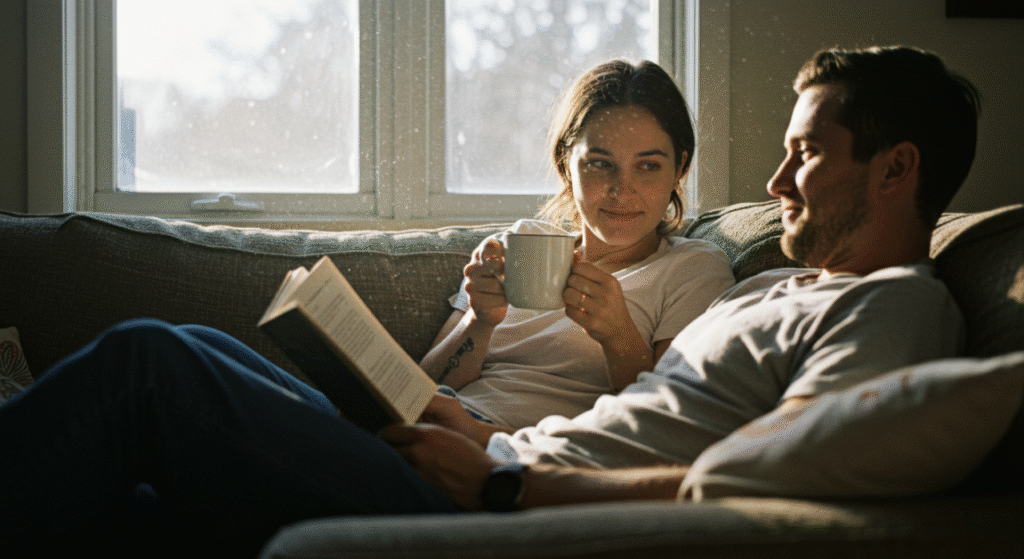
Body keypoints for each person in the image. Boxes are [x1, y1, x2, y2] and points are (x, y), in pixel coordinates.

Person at [0, 45, 980, 558]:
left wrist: (506, 482)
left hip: (487, 506)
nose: (772, 181)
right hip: (477, 457)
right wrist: (462, 393)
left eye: (804, 153)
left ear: (895, 169)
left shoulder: (892, 308)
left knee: (148, 365)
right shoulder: (773, 286)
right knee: (154, 441)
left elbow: (777, 473)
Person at [420, 60, 735, 430]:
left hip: (510, 455)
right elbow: (420, 389)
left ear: (679, 168)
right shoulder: (520, 244)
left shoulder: (692, 269)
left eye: (647, 166)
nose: (622, 190)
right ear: (566, 164)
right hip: (433, 426)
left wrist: (620, 337)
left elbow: (669, 422)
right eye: (601, 164)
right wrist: (479, 320)